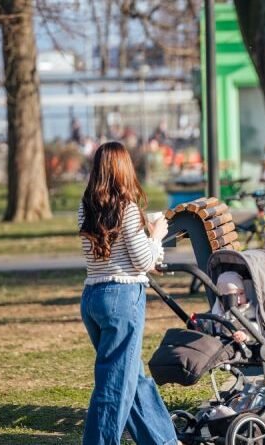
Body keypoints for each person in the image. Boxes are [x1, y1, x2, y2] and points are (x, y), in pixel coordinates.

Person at [77, 141, 176, 445]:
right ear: (124, 168)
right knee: (115, 383)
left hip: (93, 296)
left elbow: (108, 255)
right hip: (122, 298)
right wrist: (157, 235)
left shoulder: (86, 208)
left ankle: (164, 440)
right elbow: (143, 261)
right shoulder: (128, 209)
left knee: (130, 376)